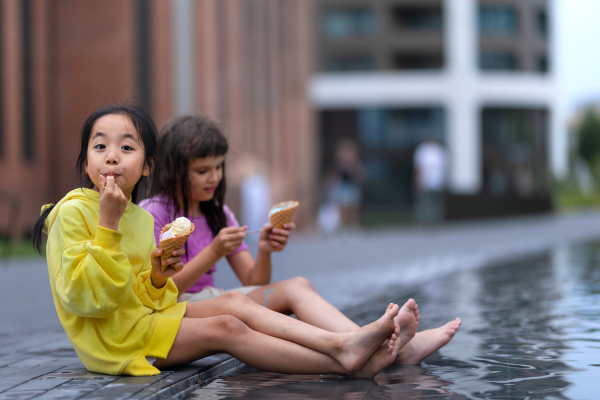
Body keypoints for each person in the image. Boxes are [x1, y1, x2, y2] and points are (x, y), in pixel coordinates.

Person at [31, 102, 417, 378]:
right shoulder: (74, 213)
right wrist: (108, 227)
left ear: (147, 165)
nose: (112, 157)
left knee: (234, 300)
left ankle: (350, 348)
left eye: (126, 148)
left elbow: (145, 297)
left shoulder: (139, 217)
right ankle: (344, 353)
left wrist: (156, 277)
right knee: (228, 328)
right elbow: (87, 300)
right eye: (100, 147)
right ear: (86, 162)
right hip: (113, 342)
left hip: (142, 322)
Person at [140, 115, 462, 365]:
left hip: (217, 299)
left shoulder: (219, 213)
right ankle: (371, 345)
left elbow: (254, 281)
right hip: (180, 308)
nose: (214, 178)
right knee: (237, 302)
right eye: (202, 170)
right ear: (175, 171)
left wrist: (265, 250)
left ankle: (370, 342)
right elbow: (160, 291)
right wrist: (212, 253)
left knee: (297, 285)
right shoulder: (153, 213)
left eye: (218, 168)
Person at [413, 139, 447, 224]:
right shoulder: (440, 150)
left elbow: (419, 167)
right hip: (437, 182)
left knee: (426, 202)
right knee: (435, 202)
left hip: (427, 181)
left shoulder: (423, 150)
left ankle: (427, 220)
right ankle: (435, 220)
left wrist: (417, 180)